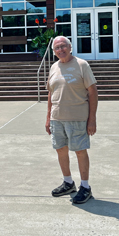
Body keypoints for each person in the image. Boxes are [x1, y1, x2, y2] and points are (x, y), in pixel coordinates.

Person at [45, 35, 98, 204]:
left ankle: (85, 187)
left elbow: (92, 92)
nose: (60, 50)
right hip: (57, 118)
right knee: (61, 150)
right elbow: (51, 94)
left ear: (70, 47)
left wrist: (92, 119)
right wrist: (48, 118)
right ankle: (68, 183)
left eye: (63, 46)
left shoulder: (82, 65)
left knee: (80, 151)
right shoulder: (54, 67)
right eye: (57, 48)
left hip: (77, 118)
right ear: (54, 52)